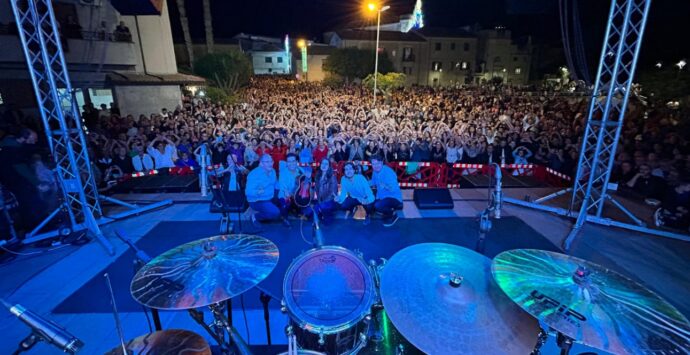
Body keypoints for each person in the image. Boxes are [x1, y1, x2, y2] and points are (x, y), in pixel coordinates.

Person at [245, 154, 288, 228]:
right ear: (261, 163)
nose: (270, 164)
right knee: (275, 212)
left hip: (270, 196)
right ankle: (255, 216)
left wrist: (284, 191)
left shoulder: (273, 171)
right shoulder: (254, 174)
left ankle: (275, 212)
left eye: (271, 161)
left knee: (284, 200)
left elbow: (276, 184)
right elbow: (248, 192)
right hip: (258, 200)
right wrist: (258, 192)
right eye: (267, 162)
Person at [370, 155, 403, 226]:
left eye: (377, 163)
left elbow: (394, 189)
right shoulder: (375, 172)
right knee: (370, 203)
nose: (375, 166)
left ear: (382, 163)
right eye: (373, 164)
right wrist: (363, 183)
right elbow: (373, 182)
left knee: (377, 206)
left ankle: (392, 214)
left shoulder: (389, 172)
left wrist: (385, 186)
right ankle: (385, 209)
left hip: (394, 197)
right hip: (382, 196)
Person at [276, 153, 301, 224]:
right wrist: (289, 195)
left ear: (297, 162)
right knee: (285, 204)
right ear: (286, 163)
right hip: (285, 195)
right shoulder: (283, 173)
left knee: (307, 210)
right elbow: (284, 188)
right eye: (289, 162)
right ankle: (284, 217)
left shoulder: (300, 171)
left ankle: (294, 209)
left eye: (293, 161)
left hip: (296, 195)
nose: (291, 163)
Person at [313, 158, 338, 223]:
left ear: (329, 166)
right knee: (311, 211)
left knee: (327, 222)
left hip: (329, 201)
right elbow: (317, 191)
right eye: (322, 163)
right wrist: (319, 202)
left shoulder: (332, 177)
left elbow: (332, 193)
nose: (324, 165)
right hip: (320, 200)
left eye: (326, 164)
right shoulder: (317, 176)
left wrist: (322, 203)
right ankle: (321, 212)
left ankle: (327, 213)